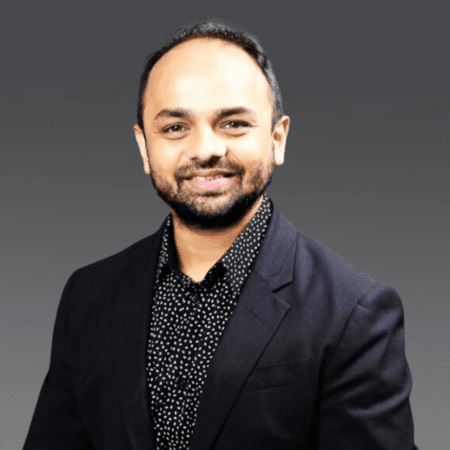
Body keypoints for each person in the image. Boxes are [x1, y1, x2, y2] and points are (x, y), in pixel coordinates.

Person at [23, 18, 418, 450]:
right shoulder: (88, 295)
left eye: (233, 123)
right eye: (175, 128)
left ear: (277, 138)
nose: (205, 149)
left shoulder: (354, 312)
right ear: (144, 148)